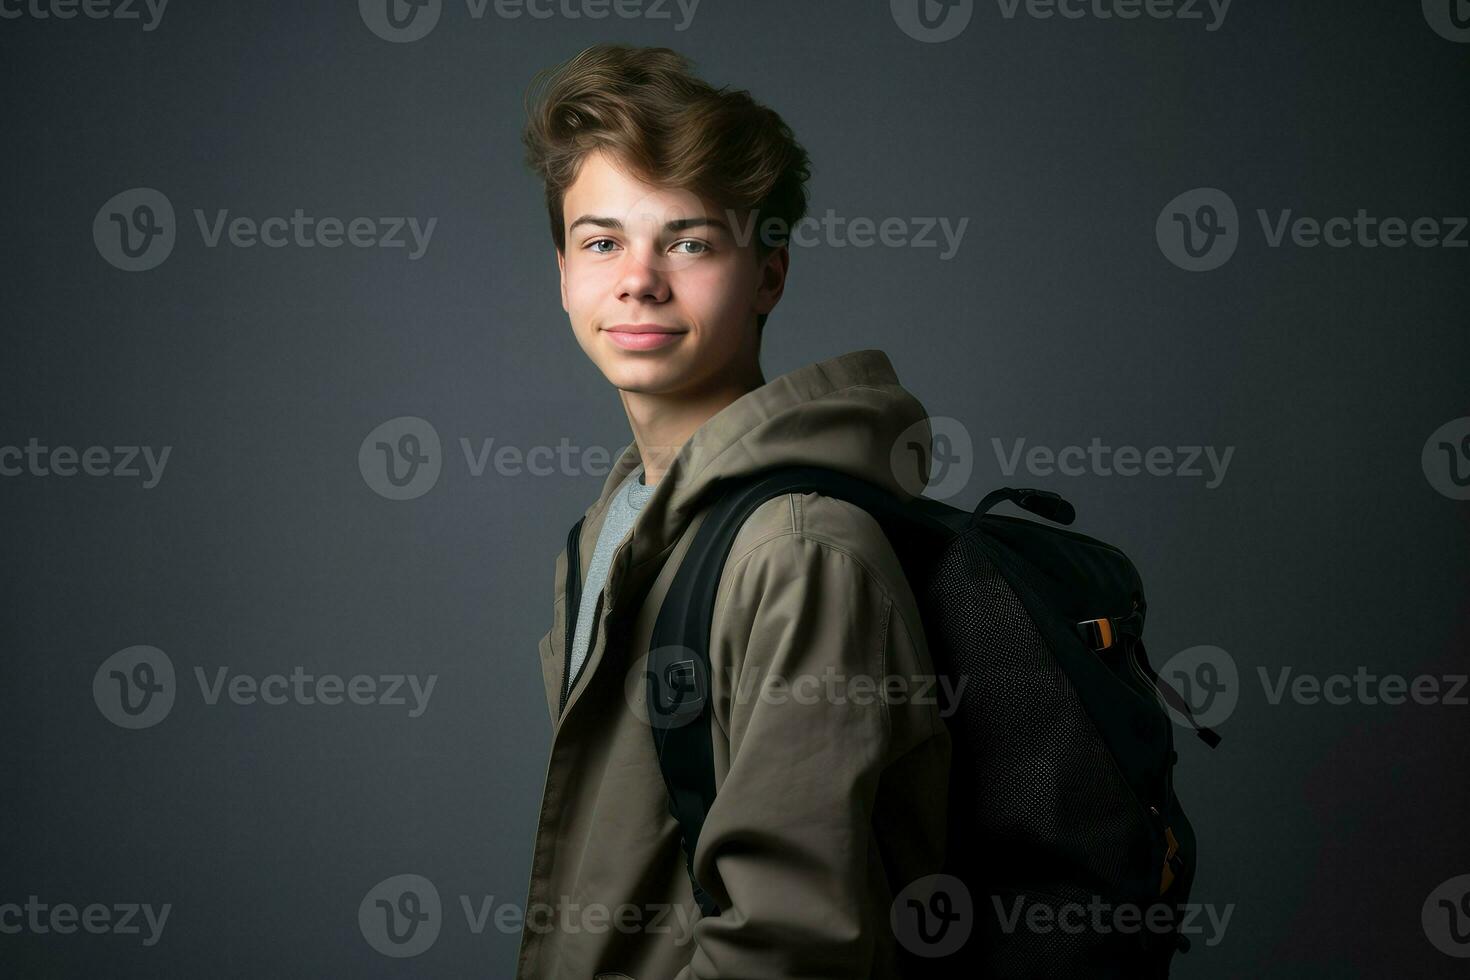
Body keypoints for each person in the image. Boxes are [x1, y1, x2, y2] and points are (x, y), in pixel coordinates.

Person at [516, 43, 951, 979]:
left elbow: (789, 944)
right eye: (601, 241)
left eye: (689, 241)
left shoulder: (801, 552)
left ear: (769, 275)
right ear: (562, 271)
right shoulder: (610, 532)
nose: (639, 279)